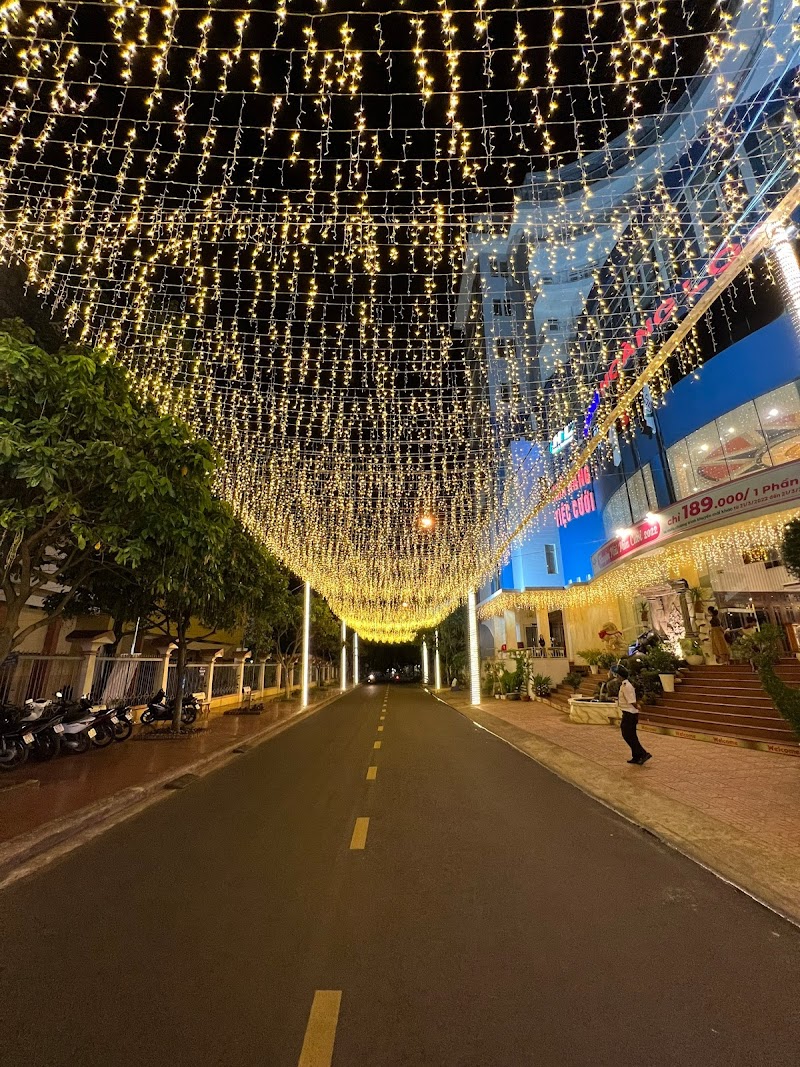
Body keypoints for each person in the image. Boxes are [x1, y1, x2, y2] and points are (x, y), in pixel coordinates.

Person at [614, 665, 651, 765]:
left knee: (628, 735)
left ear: (620, 676)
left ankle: (643, 754)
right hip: (627, 713)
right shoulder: (624, 685)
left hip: (630, 714)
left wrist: (638, 706)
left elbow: (631, 701)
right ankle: (636, 756)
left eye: (617, 675)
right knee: (630, 736)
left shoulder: (627, 686)